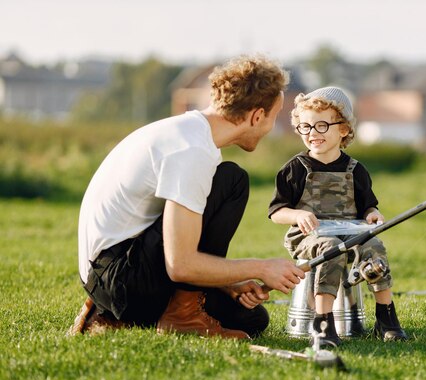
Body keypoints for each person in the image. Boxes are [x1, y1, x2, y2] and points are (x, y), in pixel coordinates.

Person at [69, 55, 305, 339]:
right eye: (274, 116)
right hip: (120, 280)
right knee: (232, 181)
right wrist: (262, 267)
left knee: (250, 318)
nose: (272, 126)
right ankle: (181, 315)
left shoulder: (190, 133)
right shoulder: (191, 151)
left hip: (113, 274)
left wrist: (230, 283)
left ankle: (110, 316)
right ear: (257, 116)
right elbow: (180, 265)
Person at [268, 86, 407, 347]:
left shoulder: (356, 170)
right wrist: (297, 215)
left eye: (322, 126)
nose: (312, 134)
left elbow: (368, 207)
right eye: (305, 127)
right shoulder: (294, 169)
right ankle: (323, 322)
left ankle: (386, 318)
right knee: (331, 250)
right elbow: (276, 212)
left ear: (343, 128)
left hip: (349, 232)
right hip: (310, 237)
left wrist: (373, 215)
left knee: (374, 246)